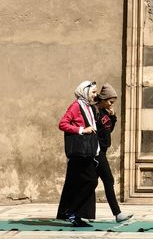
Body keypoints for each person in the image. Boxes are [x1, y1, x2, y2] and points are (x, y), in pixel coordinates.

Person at [56, 81, 100, 228]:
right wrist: (82, 130)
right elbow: (62, 124)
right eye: (93, 92)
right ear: (85, 92)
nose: (95, 95)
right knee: (91, 181)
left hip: (87, 152)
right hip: (79, 152)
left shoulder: (88, 107)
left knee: (79, 183)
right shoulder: (76, 106)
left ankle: (76, 215)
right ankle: (72, 211)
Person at [94, 83, 131, 223]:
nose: (111, 104)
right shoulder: (95, 111)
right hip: (97, 152)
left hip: (102, 151)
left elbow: (108, 130)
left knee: (89, 183)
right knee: (108, 180)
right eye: (110, 101)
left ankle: (71, 211)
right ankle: (118, 214)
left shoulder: (105, 112)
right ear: (103, 99)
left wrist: (113, 117)